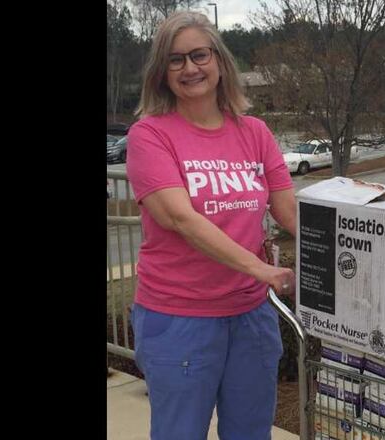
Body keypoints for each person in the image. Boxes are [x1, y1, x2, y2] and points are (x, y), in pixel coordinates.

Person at [125, 10, 297, 440]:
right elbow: (180, 218)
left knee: (251, 432)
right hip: (179, 318)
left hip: (251, 316)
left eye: (199, 55)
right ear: (162, 73)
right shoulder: (150, 135)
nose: (190, 68)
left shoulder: (254, 131)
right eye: (175, 60)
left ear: (219, 60)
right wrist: (263, 270)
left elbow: (288, 210)